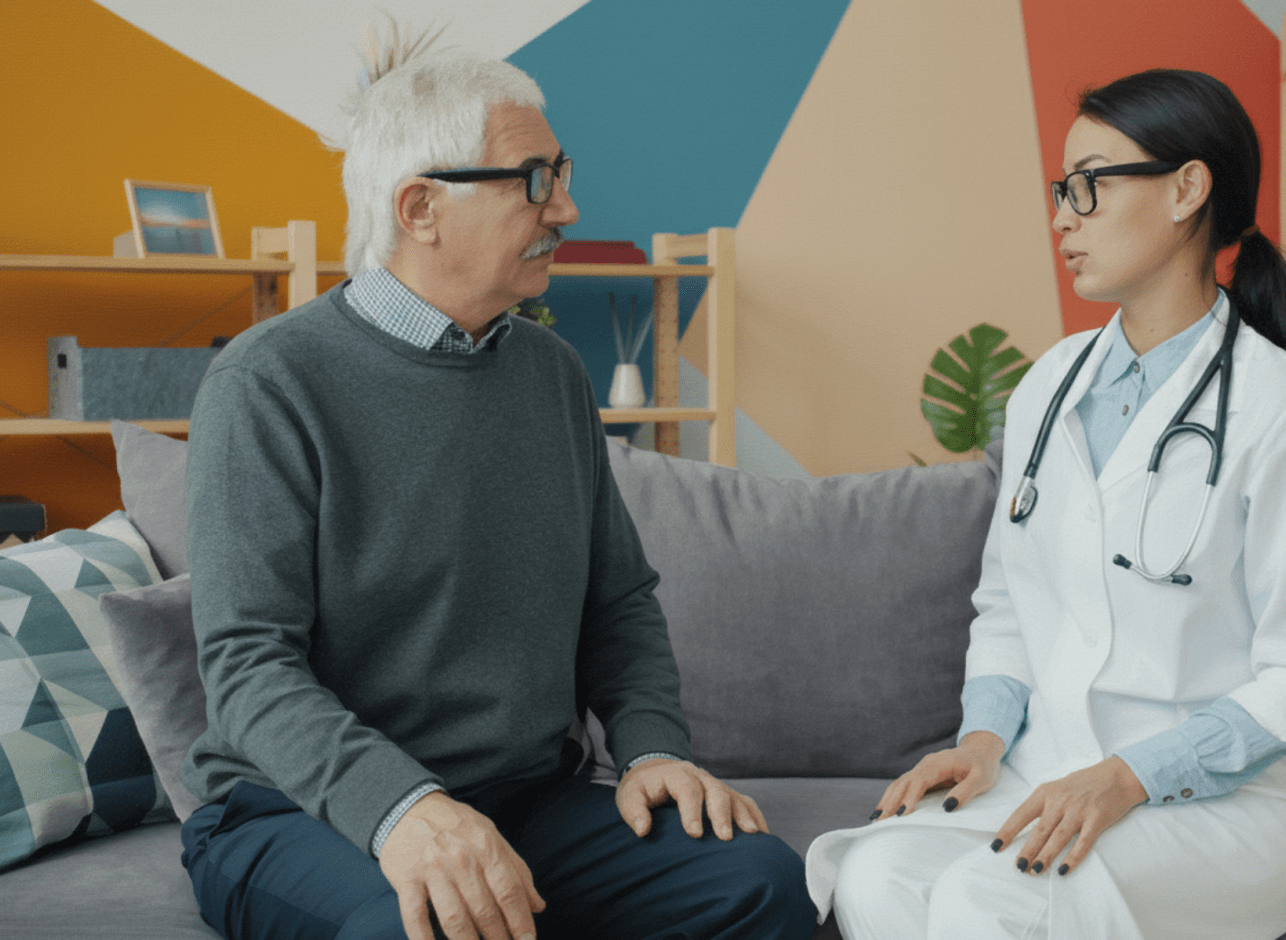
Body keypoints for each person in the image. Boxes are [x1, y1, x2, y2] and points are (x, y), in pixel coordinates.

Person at [177, 49, 815, 940]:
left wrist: (653, 747)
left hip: (527, 799)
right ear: (420, 207)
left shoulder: (550, 372)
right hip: (298, 811)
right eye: (533, 180)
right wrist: (405, 811)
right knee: (424, 929)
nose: (566, 207)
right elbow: (248, 665)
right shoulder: (267, 382)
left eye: (560, 175)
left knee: (758, 881)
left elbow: (618, 601)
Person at [805, 69, 1286, 939]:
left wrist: (1130, 776)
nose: (1062, 216)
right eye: (1059, 189)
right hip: (1052, 774)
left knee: (984, 897)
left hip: (1223, 809)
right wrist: (984, 740)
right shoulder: (1050, 386)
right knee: (880, 872)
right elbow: (1007, 601)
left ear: (1188, 188)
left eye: (1090, 185)